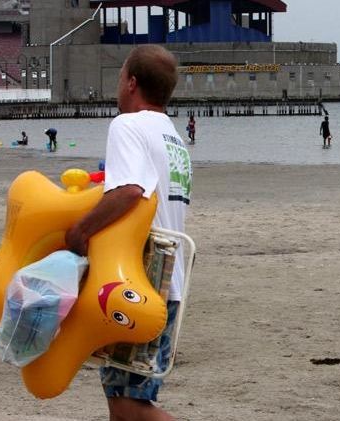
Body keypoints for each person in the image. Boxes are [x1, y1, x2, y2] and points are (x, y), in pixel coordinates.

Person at [65, 45, 191, 421]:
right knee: (123, 400)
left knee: (127, 403)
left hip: (136, 281)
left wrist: (80, 230)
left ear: (132, 83)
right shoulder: (174, 138)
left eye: (120, 77)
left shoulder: (127, 125)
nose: (118, 85)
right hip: (171, 284)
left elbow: (130, 191)